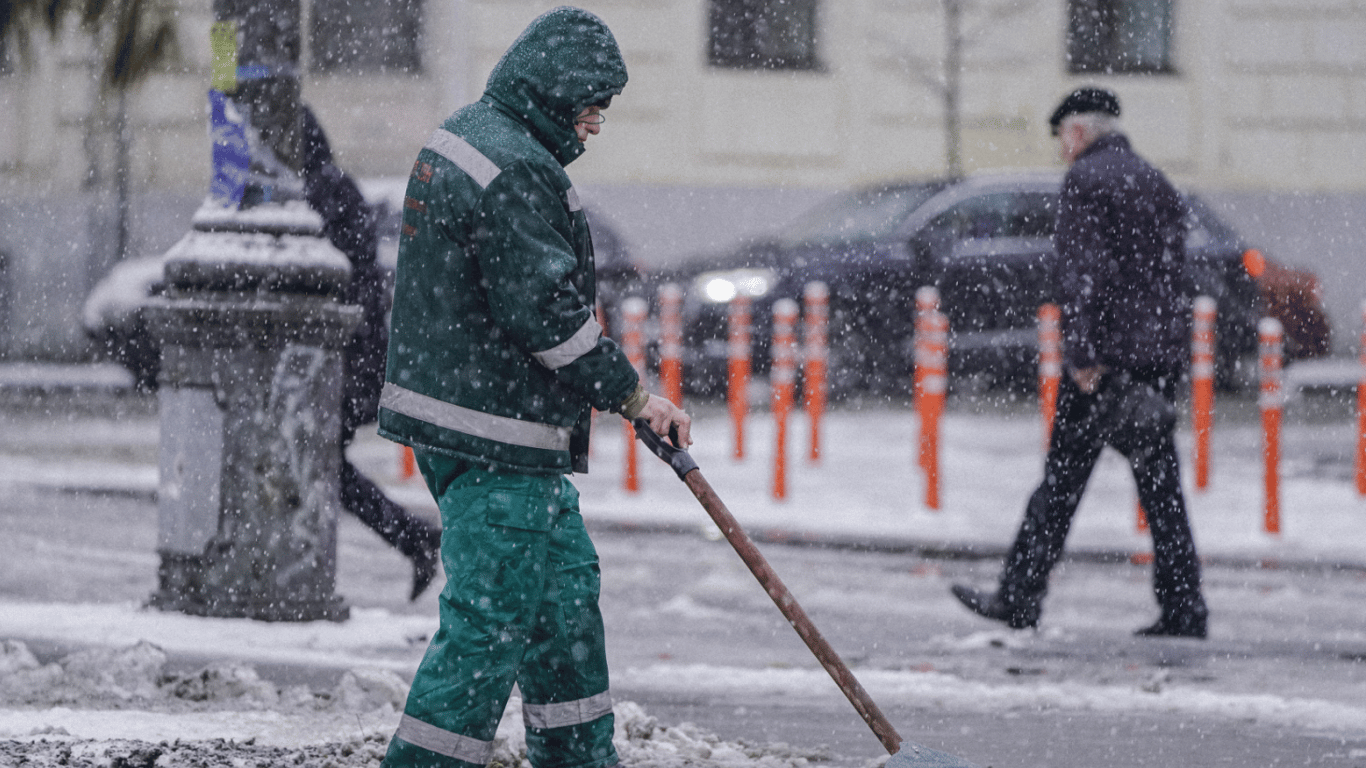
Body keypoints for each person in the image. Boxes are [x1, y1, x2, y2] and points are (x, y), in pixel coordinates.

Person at [374, 8, 692, 768]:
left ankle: (582, 759)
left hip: (500, 432)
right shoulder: (515, 165)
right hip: (495, 437)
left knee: (564, 609)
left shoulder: (477, 134)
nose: (596, 123)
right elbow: (547, 315)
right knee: (487, 629)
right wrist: (634, 397)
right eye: (593, 104)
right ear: (556, 91)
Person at [950, 87, 1209, 639]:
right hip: (1152, 360)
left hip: (1105, 366)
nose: (1062, 151)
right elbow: (1172, 276)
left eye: (1062, 138)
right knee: (1161, 489)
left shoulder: (1088, 181)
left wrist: (1084, 354)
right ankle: (1185, 608)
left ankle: (1019, 595)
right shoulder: (1153, 179)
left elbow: (1082, 274)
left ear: (1077, 132)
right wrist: (1166, 355)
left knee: (1061, 481)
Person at [299, 105, 443, 601]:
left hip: (342, 356)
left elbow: (336, 276)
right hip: (350, 354)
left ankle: (412, 539)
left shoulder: (319, 193)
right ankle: (414, 538)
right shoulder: (331, 187)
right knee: (320, 461)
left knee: (316, 460)